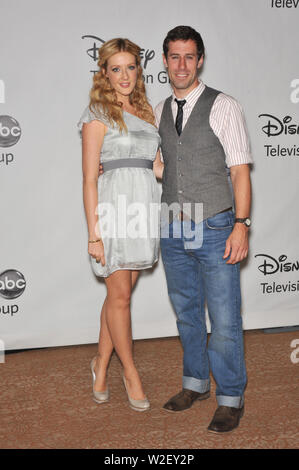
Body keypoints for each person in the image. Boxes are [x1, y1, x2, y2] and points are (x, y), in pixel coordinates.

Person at [155, 25, 253, 433]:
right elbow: (167, 167)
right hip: (173, 227)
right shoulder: (161, 108)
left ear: (200, 59)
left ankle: (230, 397)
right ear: (164, 61)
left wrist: (241, 225)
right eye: (174, 57)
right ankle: (195, 383)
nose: (182, 64)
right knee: (188, 315)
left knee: (225, 318)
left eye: (189, 56)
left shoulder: (223, 105)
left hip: (215, 225)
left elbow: (240, 172)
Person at [78, 38, 163, 412]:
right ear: (104, 73)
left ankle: (99, 366)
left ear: (138, 71)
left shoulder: (146, 112)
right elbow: (89, 179)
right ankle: (130, 372)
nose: (125, 75)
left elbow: (157, 166)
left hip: (143, 209)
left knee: (117, 296)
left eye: (131, 67)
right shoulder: (97, 112)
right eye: (117, 68)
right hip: (113, 211)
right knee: (121, 298)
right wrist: (94, 233)